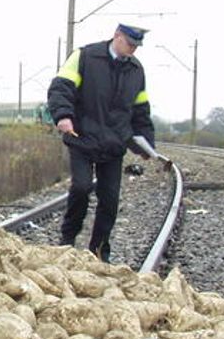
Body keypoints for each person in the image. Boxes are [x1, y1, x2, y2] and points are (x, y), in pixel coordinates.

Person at [47, 22, 155, 261]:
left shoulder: (136, 70)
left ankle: (99, 251)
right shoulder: (85, 56)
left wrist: (146, 144)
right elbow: (60, 88)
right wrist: (63, 116)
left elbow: (140, 110)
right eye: (130, 43)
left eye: (137, 46)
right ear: (117, 36)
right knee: (81, 188)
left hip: (114, 145)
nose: (133, 49)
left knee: (110, 200)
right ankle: (67, 240)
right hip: (82, 138)